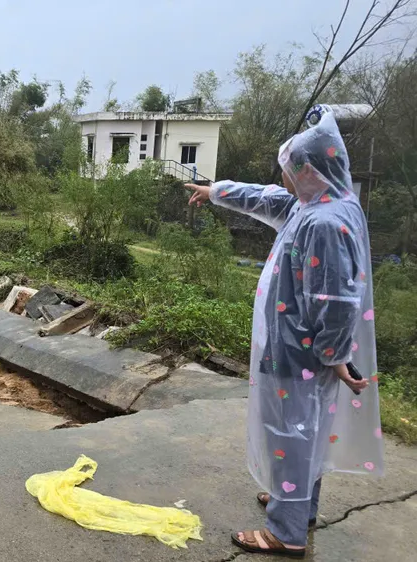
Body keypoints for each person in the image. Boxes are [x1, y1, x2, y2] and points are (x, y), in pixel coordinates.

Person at [185, 105, 384, 558]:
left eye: (290, 171)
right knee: (305, 431)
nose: (285, 180)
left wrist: (334, 356)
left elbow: (335, 302)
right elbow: (270, 199)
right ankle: (296, 502)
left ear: (310, 170)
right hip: (305, 350)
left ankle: (286, 531)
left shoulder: (324, 223)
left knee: (290, 433)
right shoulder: (325, 204)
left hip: (299, 353)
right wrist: (216, 191)